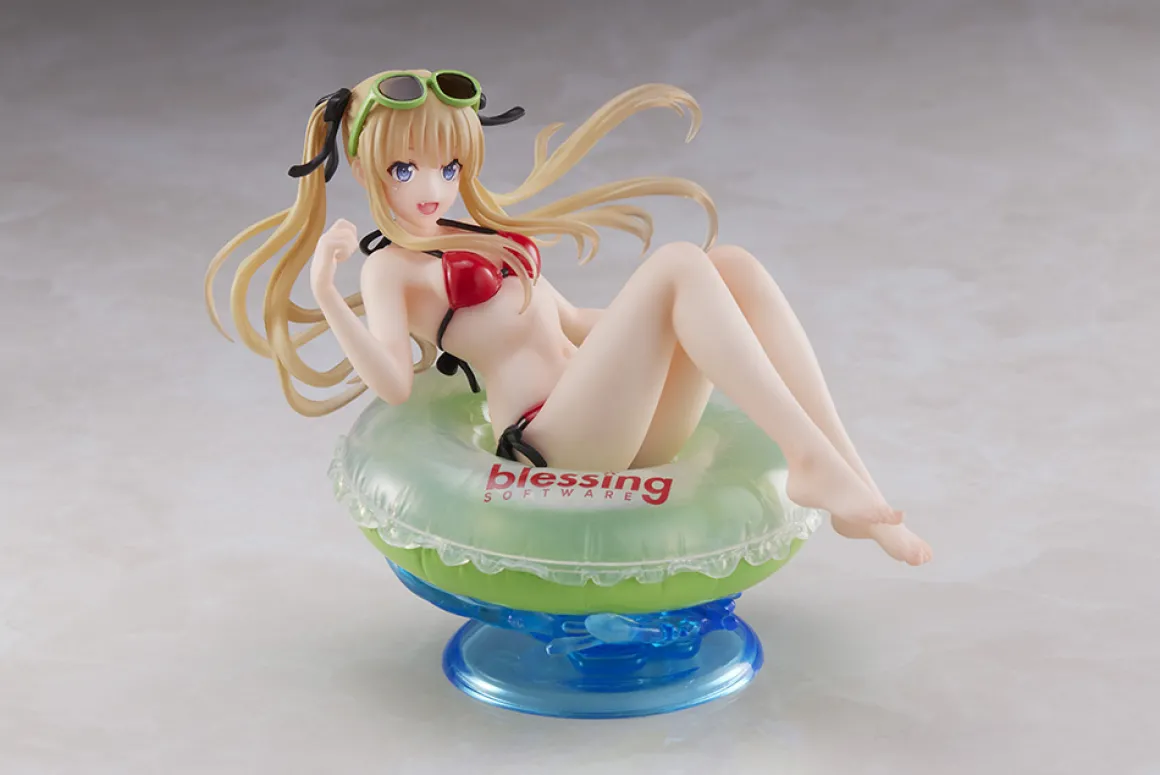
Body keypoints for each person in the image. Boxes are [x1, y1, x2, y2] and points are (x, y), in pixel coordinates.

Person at [205, 69, 931, 565]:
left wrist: (670, 319)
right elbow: (394, 385)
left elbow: (577, 322)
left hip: (616, 421)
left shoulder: (476, 236)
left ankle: (852, 486)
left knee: (730, 265)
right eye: (406, 169)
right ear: (368, 171)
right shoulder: (390, 267)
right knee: (681, 262)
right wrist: (329, 291)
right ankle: (809, 461)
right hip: (552, 446)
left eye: (448, 167)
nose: (432, 186)